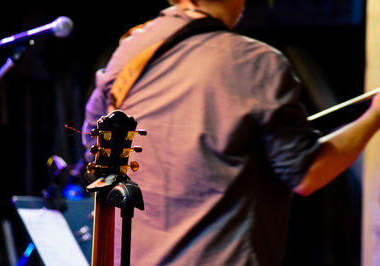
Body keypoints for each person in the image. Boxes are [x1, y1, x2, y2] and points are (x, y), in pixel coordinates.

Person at [82, 0, 380, 265]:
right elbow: (307, 174)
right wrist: (375, 116)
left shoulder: (128, 51)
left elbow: (94, 148)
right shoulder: (255, 62)